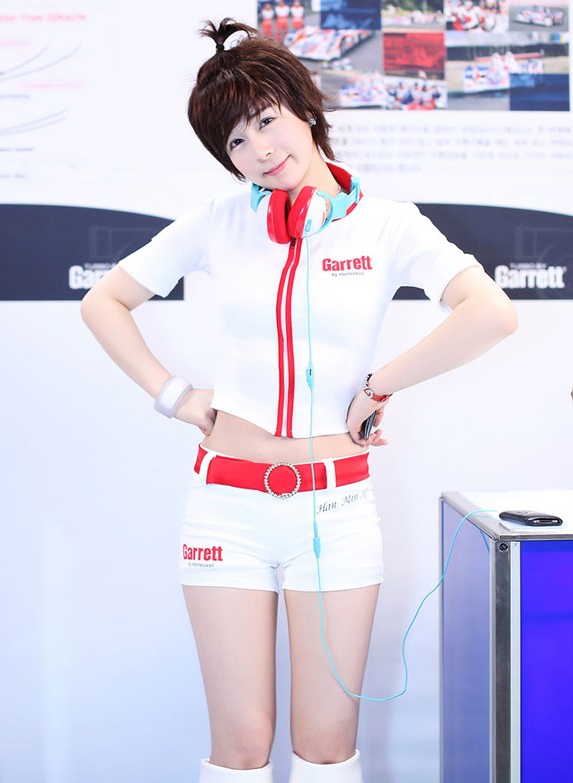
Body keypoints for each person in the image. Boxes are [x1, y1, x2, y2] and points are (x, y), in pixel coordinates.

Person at [80, 18, 517, 783]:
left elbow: (491, 313)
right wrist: (175, 395)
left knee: (324, 746)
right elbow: (104, 302)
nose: (257, 149)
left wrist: (381, 383)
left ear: (304, 108)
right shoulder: (219, 222)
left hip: (336, 510)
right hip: (225, 508)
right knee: (240, 747)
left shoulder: (388, 224)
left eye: (264, 120)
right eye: (235, 142)